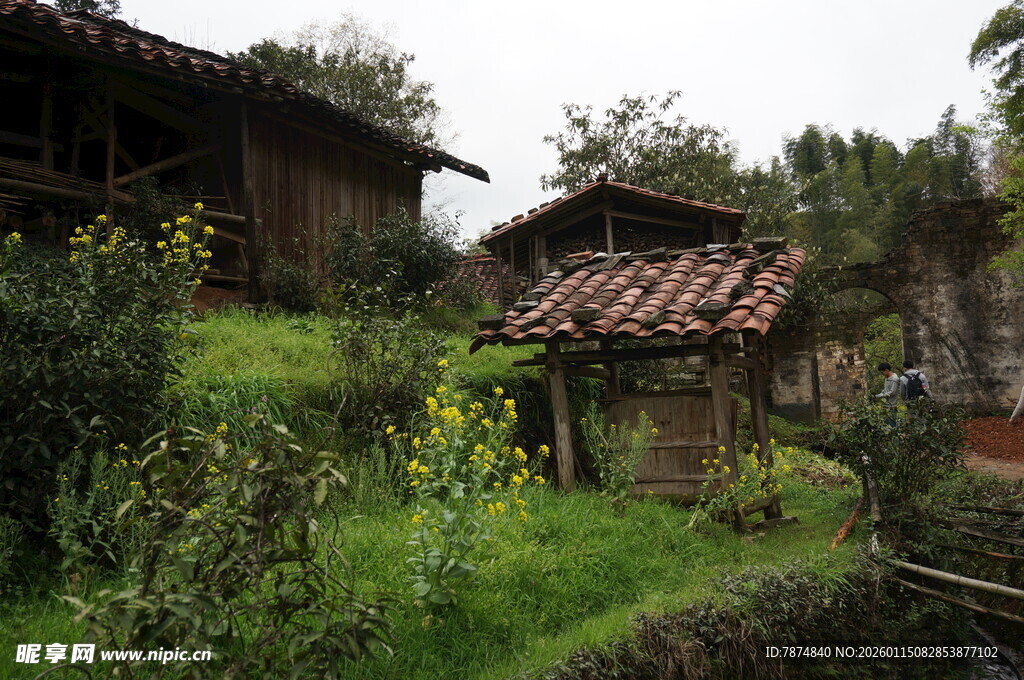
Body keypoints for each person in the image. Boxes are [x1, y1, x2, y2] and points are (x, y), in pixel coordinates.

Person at [875, 363, 900, 427]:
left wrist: (880, 395)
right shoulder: (886, 378)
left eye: (882, 372)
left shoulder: (894, 379)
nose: (882, 374)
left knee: (892, 424)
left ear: (886, 370)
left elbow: (892, 392)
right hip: (885, 405)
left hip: (891, 405)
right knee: (886, 424)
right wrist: (880, 393)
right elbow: (886, 390)